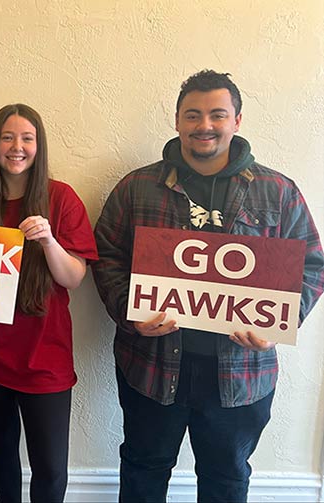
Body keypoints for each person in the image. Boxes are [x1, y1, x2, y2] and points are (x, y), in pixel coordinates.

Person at [92, 70, 324, 502]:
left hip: (240, 374)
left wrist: (277, 323)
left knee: (226, 481)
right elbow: (106, 253)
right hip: (152, 366)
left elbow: (312, 265)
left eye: (218, 114)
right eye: (193, 115)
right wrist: (130, 311)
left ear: (237, 121)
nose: (205, 125)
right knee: (143, 471)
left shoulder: (278, 191)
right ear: (177, 120)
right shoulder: (137, 187)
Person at [0, 104, 98, 503]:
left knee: (50, 467)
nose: (17, 147)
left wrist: (49, 240)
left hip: (45, 355)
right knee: (1, 454)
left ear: (39, 146)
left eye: (27, 138)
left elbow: (74, 277)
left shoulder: (61, 198)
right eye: (7, 137)